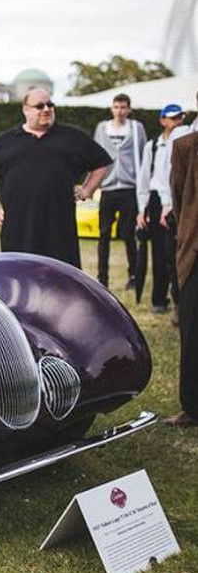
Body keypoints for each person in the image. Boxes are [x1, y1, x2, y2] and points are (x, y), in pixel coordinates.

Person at [0, 87, 111, 268]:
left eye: (50, 104)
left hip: (60, 229)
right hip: (18, 230)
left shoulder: (71, 137)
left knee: (62, 283)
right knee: (19, 279)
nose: (46, 109)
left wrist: (87, 189)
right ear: (25, 109)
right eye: (39, 106)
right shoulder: (7, 141)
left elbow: (102, 162)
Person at [93, 94, 147, 289]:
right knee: (104, 234)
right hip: (108, 189)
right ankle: (102, 278)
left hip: (129, 188)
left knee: (127, 233)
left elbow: (142, 157)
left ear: (129, 109)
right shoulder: (101, 128)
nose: (119, 111)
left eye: (123, 107)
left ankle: (133, 275)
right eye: (116, 107)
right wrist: (93, 185)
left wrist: (143, 188)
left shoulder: (136, 128)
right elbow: (96, 157)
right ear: (112, 109)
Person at [163, 123, 198, 427]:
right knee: (192, 329)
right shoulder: (185, 146)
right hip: (195, 250)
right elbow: (178, 196)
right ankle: (192, 406)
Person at [136, 103, 183, 314]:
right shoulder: (152, 146)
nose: (176, 122)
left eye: (179, 118)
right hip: (156, 201)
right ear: (163, 120)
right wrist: (142, 208)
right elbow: (144, 179)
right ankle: (159, 299)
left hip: (177, 200)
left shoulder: (186, 143)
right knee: (158, 252)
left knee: (175, 253)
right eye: (172, 118)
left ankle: (179, 301)